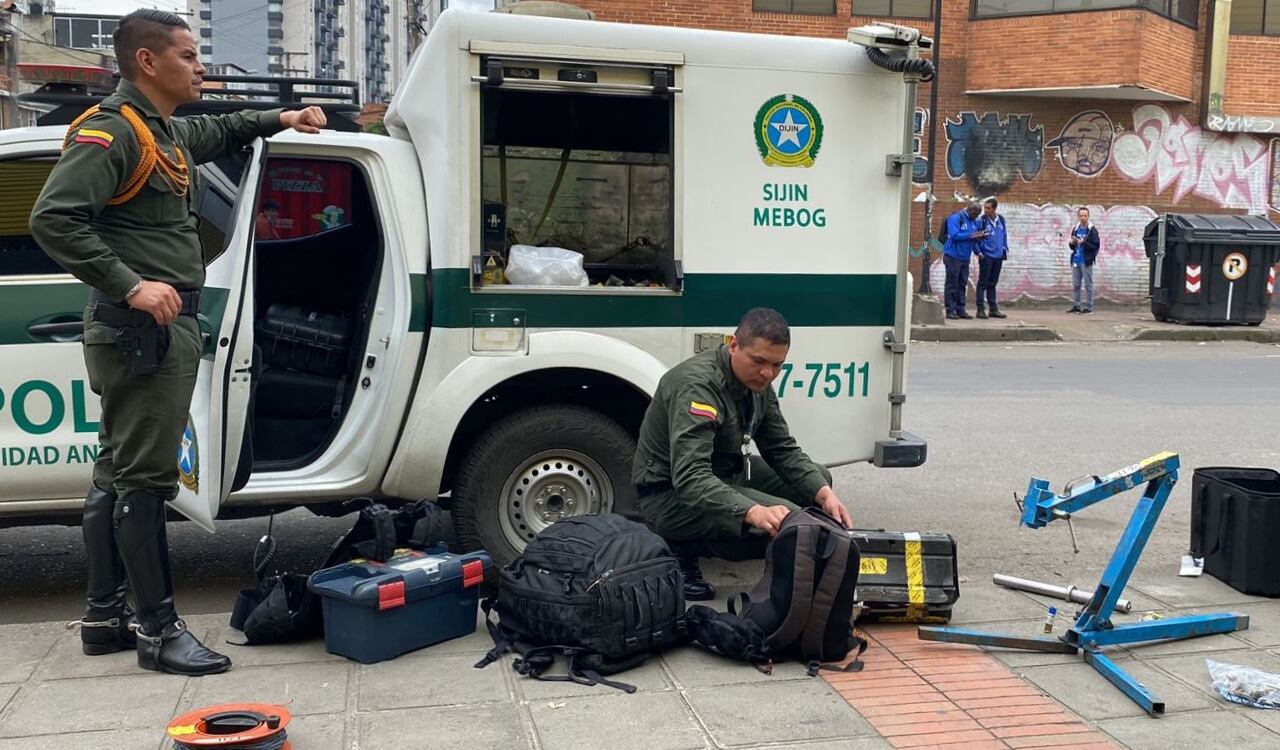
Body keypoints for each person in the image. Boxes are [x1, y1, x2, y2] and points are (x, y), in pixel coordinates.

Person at [29, 9, 327, 676]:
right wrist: (132, 284)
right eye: (189, 56)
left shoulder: (157, 129)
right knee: (145, 482)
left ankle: (105, 616)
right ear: (147, 62)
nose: (200, 67)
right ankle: (159, 632)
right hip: (143, 330)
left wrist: (282, 119)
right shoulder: (113, 133)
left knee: (115, 471)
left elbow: (219, 128)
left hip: (154, 330)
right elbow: (52, 218)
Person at [631, 307, 852, 601]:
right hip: (670, 495)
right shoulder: (698, 386)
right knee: (786, 521)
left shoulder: (757, 383)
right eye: (759, 361)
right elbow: (691, 478)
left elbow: (782, 449)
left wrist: (824, 494)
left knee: (816, 481)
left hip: (722, 474)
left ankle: (778, 545)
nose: (767, 373)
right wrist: (752, 511)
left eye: (777, 365)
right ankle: (680, 548)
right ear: (733, 345)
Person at [941, 202, 988, 320]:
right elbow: (954, 235)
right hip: (952, 256)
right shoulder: (956, 218)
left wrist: (979, 244)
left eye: (978, 214)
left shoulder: (974, 222)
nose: (976, 216)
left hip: (965, 258)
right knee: (952, 283)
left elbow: (972, 240)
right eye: (975, 213)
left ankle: (960, 309)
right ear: (969, 210)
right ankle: (950, 310)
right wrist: (972, 234)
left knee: (962, 284)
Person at [975, 198, 1009, 319]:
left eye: (988, 208)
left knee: (992, 283)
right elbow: (975, 238)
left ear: (994, 208)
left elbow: (1004, 235)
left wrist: (1004, 249)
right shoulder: (982, 221)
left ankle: (993, 309)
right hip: (986, 256)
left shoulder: (1001, 220)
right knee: (982, 283)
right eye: (985, 208)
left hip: (998, 256)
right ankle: (980, 309)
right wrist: (979, 252)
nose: (986, 210)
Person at [1067, 207, 1100, 314]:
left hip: (1086, 261)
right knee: (1076, 285)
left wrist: (1083, 243)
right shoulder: (1076, 229)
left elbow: (1095, 246)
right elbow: (1073, 248)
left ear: (1088, 216)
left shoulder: (1092, 230)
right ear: (1078, 216)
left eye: (1085, 215)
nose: (1083, 218)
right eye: (1081, 216)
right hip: (1076, 260)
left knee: (1088, 285)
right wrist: (1072, 243)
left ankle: (1088, 307)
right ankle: (1076, 306)